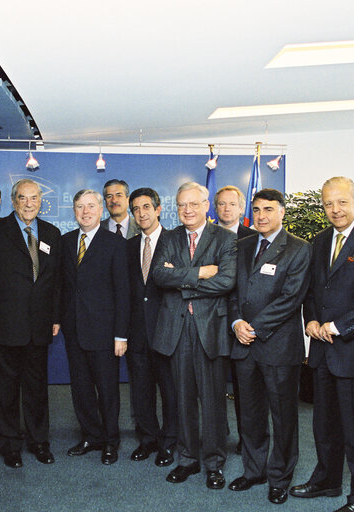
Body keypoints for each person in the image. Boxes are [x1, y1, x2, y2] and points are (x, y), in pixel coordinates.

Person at [289, 177, 354, 512]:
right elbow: (311, 291)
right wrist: (309, 320)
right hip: (323, 352)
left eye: (342, 202)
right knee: (325, 427)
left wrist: (336, 326)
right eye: (328, 204)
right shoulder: (320, 241)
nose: (335, 210)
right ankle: (327, 480)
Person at [227, 188, 311, 505]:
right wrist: (236, 323)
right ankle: (254, 471)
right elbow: (232, 292)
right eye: (257, 209)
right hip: (243, 344)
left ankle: (280, 477)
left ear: (282, 212)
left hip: (277, 345)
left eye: (269, 209)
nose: (261, 216)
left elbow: (291, 298)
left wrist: (255, 328)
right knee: (249, 415)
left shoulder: (299, 249)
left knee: (283, 416)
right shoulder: (243, 245)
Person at [152, 182, 236, 490]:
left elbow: (226, 281)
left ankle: (214, 463)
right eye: (182, 205)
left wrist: (180, 280)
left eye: (193, 204)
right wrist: (199, 273)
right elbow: (159, 275)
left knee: (212, 400)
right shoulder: (170, 237)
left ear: (206, 206)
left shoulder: (225, 239)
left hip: (210, 329)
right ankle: (187, 459)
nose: (187, 210)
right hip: (176, 329)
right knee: (182, 398)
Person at [0, 178, 62, 468]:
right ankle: (10, 444)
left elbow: (55, 282)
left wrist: (55, 317)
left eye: (34, 198)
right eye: (23, 198)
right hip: (5, 325)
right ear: (14, 201)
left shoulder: (52, 232)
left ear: (41, 201)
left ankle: (39, 441)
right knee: (5, 390)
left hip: (40, 326)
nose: (29, 204)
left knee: (37, 389)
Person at [61, 189, 130, 465]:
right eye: (80, 207)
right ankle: (91, 435)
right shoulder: (66, 242)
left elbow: (123, 292)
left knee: (107, 389)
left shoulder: (115, 244)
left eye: (91, 206)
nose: (85, 212)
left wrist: (121, 334)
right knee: (81, 388)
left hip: (105, 332)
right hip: (74, 330)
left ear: (100, 210)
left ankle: (111, 441)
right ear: (74, 211)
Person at [125, 187, 177, 467]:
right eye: (136, 209)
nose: (141, 213)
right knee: (141, 391)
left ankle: (169, 444)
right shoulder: (129, 246)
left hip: (168, 331)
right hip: (137, 333)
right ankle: (147, 440)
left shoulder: (176, 241)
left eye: (146, 207)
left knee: (170, 391)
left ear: (158, 209)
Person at [214, 184, 256, 455]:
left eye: (232, 204)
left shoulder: (255, 238)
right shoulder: (206, 236)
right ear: (214, 208)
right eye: (221, 204)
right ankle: (217, 437)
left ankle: (247, 438)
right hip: (212, 322)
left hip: (242, 324)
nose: (226, 208)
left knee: (246, 389)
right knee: (214, 386)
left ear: (242, 208)